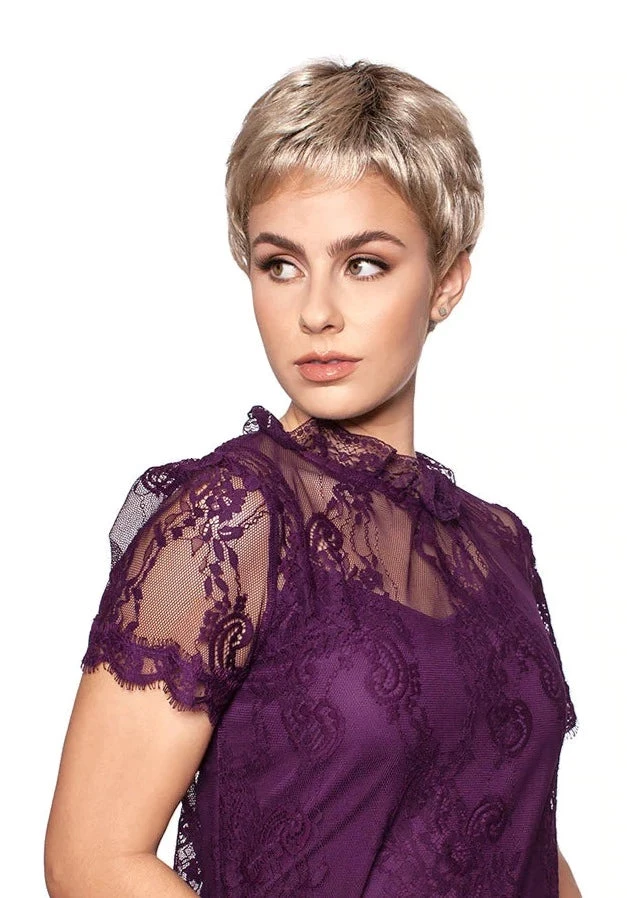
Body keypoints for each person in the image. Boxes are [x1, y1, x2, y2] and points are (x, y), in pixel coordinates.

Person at [45, 58, 581, 898]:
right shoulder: (232, 520)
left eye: (364, 263)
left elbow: (523, 842)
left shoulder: (496, 545)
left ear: (446, 282)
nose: (316, 312)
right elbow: (92, 862)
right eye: (281, 264)